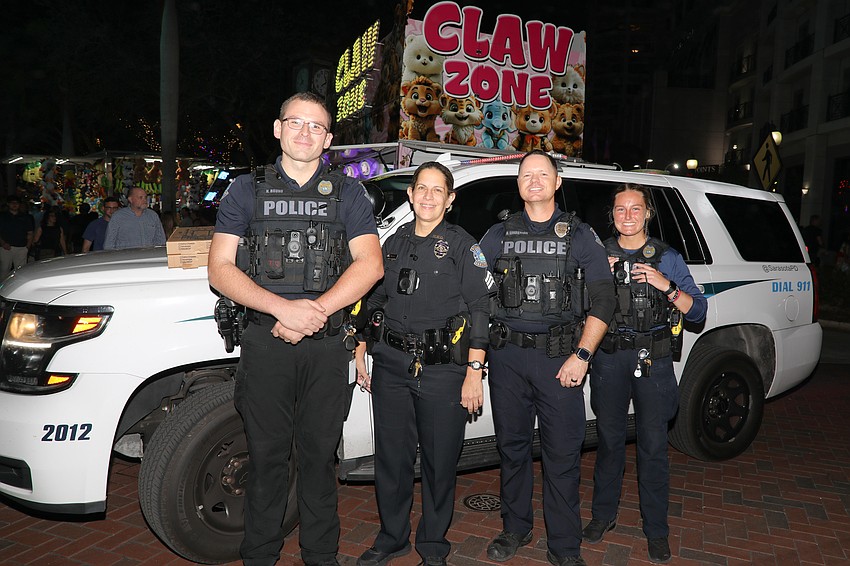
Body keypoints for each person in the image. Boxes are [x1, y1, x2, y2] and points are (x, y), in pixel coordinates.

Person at [207, 92, 383, 566]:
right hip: (266, 342)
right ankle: (260, 555)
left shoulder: (348, 193)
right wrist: (281, 310)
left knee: (319, 460)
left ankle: (321, 556)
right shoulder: (246, 190)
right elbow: (220, 268)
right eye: (296, 122)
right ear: (278, 128)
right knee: (266, 459)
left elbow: (370, 265)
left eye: (316, 126)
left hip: (326, 346)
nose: (305, 132)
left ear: (328, 139)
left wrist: (313, 312)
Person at [478, 150, 616, 566]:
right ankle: (515, 527)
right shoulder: (497, 234)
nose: (534, 180)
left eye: (542, 174)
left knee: (562, 457)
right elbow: (475, 294)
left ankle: (564, 547)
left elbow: (604, 299)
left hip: (560, 361)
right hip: (507, 359)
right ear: (518, 183)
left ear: (558, 182)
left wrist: (582, 355)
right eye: (526, 174)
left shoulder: (580, 235)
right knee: (512, 449)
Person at [353, 162, 495, 566]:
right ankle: (392, 537)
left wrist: (474, 372)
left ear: (450, 200)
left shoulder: (463, 246)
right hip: (392, 365)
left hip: (442, 370)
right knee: (391, 459)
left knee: (439, 462)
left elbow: (481, 309)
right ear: (411, 195)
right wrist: (360, 344)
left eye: (438, 190)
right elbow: (374, 298)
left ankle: (433, 545)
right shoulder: (394, 242)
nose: (429, 196)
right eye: (422, 189)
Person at [582, 183, 707, 563]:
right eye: (620, 209)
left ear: (648, 213)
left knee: (653, 447)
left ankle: (656, 529)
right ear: (612, 215)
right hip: (609, 358)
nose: (628, 216)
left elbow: (697, 312)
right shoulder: (597, 254)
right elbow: (576, 308)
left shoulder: (667, 257)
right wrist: (592, 280)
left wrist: (665, 285)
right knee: (609, 442)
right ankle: (603, 516)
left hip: (653, 359)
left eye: (635, 208)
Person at [0, 195, 35, 276]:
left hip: (21, 247)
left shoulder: (26, 217)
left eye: (17, 203)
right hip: (6, 248)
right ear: (8, 204)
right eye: (12, 203)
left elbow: (30, 233)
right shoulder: (2, 216)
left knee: (21, 272)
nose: (15, 204)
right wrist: (3, 243)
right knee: (4, 270)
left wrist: (27, 247)